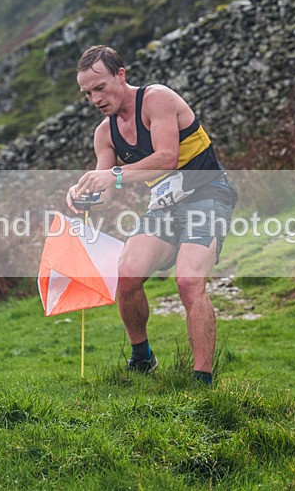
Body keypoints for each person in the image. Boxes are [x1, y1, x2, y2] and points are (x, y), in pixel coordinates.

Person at [67, 45, 236, 386]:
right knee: (127, 274)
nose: (95, 98)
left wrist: (112, 174)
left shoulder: (157, 99)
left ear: (121, 75)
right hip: (165, 206)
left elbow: (167, 157)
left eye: (100, 87)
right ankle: (142, 358)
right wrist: (84, 195)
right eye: (87, 94)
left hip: (207, 194)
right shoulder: (105, 134)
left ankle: (202, 381)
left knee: (189, 281)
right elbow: (107, 188)